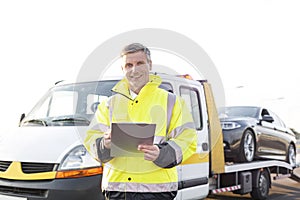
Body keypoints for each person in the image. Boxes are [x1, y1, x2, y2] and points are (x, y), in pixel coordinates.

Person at [84, 43, 197, 200]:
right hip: (117, 189)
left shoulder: (171, 101)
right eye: (128, 65)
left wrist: (162, 153)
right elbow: (90, 141)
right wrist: (105, 144)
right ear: (122, 69)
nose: (134, 70)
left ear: (149, 65)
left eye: (139, 63)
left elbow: (188, 140)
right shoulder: (109, 105)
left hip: (158, 191)